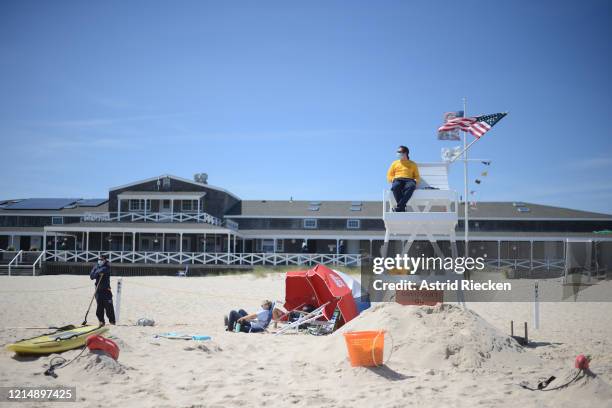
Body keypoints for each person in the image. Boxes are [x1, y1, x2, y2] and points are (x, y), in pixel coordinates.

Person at [386, 145, 420, 212]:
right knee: (395, 186)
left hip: (409, 180)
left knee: (412, 186)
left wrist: (416, 181)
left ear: (405, 153)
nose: (397, 153)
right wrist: (392, 179)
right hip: (398, 179)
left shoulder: (413, 164)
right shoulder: (394, 163)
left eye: (399, 152)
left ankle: (400, 207)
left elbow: (417, 176)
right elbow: (389, 175)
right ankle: (402, 208)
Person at [89, 255, 116, 326]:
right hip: (98, 290)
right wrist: (97, 273)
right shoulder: (96, 266)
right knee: (99, 306)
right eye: (99, 259)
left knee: (109, 306)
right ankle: (101, 321)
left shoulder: (107, 266)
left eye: (101, 260)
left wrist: (97, 273)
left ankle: (112, 321)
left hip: (106, 290)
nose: (100, 261)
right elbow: (91, 276)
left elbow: (104, 270)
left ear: (104, 260)